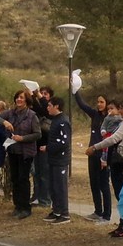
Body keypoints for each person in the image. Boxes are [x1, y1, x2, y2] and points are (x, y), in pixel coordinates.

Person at [86, 99, 123, 238]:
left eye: (122, 108)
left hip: (120, 162)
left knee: (122, 195)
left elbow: (114, 139)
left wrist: (95, 147)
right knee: (120, 194)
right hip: (116, 160)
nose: (119, 111)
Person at [73, 89, 113, 222]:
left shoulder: (110, 119)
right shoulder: (95, 115)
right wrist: (75, 90)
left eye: (102, 102)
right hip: (92, 153)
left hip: (104, 155)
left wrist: (105, 158)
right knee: (94, 183)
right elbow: (82, 105)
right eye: (98, 102)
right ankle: (98, 211)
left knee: (104, 185)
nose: (99, 104)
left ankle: (106, 215)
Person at [4, 89, 41, 218]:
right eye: (17, 97)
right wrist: (5, 122)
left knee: (23, 179)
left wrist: (23, 138)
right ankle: (17, 206)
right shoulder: (10, 113)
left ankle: (25, 208)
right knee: (14, 179)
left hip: (26, 152)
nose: (19, 100)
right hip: (13, 150)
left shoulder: (32, 115)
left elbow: (38, 134)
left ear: (26, 100)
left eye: (21, 97)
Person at [42, 96, 72, 224]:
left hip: (61, 160)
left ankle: (64, 214)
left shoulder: (63, 121)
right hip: (53, 159)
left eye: (49, 105)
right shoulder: (55, 120)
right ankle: (56, 211)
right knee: (53, 186)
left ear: (57, 106)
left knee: (61, 187)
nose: (47, 108)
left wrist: (48, 148)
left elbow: (64, 142)